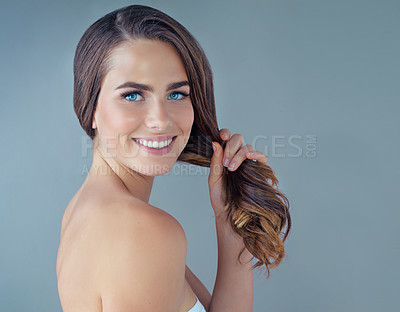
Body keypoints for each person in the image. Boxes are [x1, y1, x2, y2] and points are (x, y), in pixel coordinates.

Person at [56, 4, 291, 312]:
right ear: (91, 108)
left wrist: (230, 225)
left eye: (177, 94)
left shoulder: (85, 208)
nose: (160, 120)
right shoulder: (142, 231)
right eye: (132, 95)